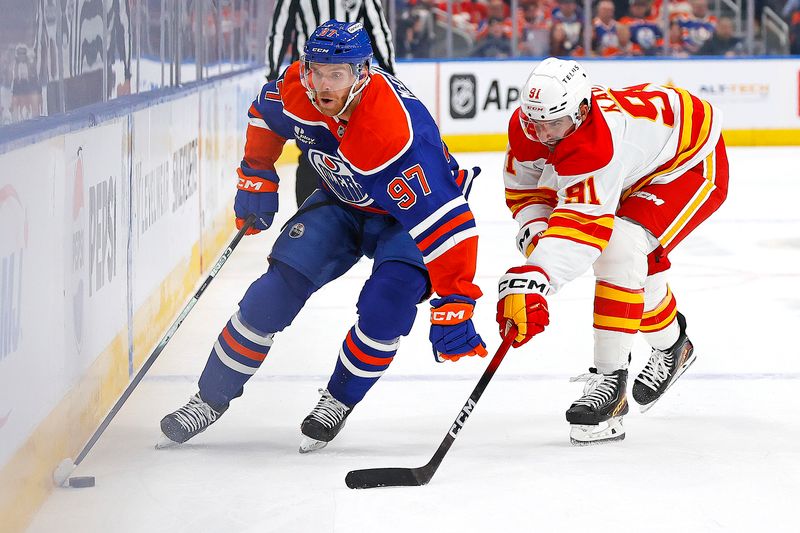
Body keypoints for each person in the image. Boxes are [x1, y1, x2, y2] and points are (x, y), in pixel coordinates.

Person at [159, 20, 486, 453]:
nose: (323, 84)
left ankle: (338, 399)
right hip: (343, 199)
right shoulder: (298, 87)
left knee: (386, 305)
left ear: (363, 72)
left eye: (338, 73)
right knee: (270, 295)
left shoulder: (395, 134)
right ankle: (207, 399)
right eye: (317, 70)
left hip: (406, 218)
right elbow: (263, 114)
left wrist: (456, 300)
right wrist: (256, 174)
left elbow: (448, 223)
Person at [497, 57, 728, 445]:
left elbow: (585, 228)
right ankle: (674, 346)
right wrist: (537, 252)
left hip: (688, 164)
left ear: (582, 110)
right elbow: (528, 193)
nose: (543, 134)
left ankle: (610, 386)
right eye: (535, 122)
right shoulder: (535, 127)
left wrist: (538, 278)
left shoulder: (598, 141)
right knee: (638, 271)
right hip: (636, 167)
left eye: (554, 124)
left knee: (620, 248)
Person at [266, 0, 396, 209]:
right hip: (310, 84)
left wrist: (390, 77)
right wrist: (274, 80)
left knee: (357, 152)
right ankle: (310, 217)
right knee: (311, 154)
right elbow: (279, 32)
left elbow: (378, 30)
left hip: (351, 86)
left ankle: (358, 215)